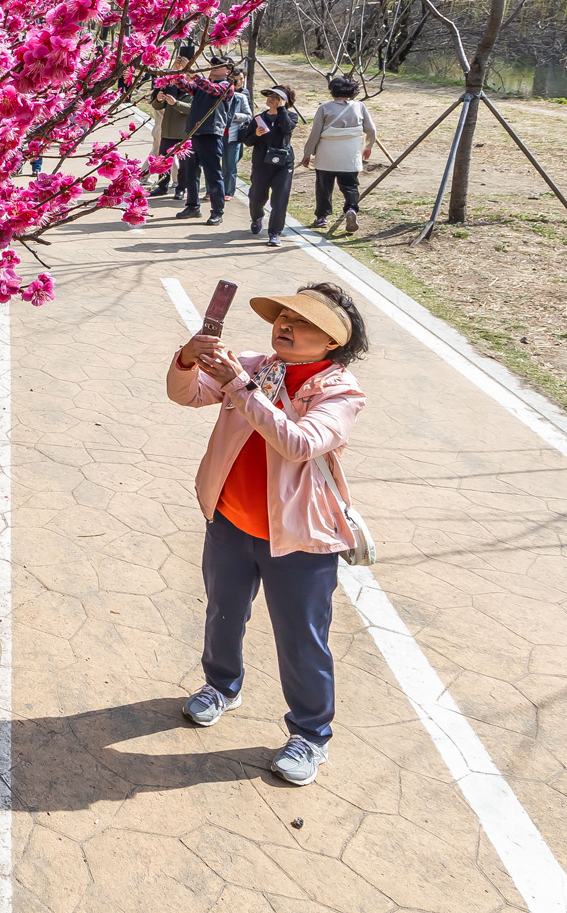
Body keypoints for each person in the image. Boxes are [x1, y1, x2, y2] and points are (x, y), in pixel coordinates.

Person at [168, 283, 369, 787]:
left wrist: (239, 386)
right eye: (283, 316)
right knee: (223, 611)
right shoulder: (257, 366)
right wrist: (187, 359)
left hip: (300, 539)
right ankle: (221, 686)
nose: (285, 324)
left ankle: (310, 734)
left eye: (302, 322)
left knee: (302, 639)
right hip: (232, 520)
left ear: (331, 343)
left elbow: (298, 443)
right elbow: (186, 395)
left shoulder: (340, 392)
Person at [302, 77, 380, 234]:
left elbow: (315, 133)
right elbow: (371, 130)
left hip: (327, 153)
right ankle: (351, 208)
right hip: (350, 153)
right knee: (350, 185)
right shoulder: (360, 106)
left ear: (332, 91)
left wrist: (307, 153)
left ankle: (322, 217)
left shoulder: (324, 108)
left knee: (324, 186)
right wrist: (368, 146)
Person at [167, 56, 236, 225]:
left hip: (211, 134)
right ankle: (192, 206)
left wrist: (193, 74)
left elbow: (211, 89)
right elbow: (185, 85)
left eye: (219, 66)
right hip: (194, 133)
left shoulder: (226, 86)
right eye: (213, 65)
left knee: (213, 175)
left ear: (228, 71)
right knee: (191, 173)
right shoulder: (202, 85)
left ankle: (217, 212)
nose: (213, 67)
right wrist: (179, 72)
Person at [245, 85, 302, 247]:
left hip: (283, 164)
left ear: (285, 101)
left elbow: (287, 128)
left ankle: (275, 233)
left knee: (280, 199)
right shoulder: (258, 118)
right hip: (262, 163)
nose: (271, 99)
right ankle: (257, 216)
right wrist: (256, 134)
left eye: (277, 97)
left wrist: (282, 109)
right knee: (257, 196)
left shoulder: (291, 116)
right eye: (270, 95)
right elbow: (247, 141)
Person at [147, 45, 196, 197]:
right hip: (167, 132)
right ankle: (162, 186)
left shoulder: (194, 89)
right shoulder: (171, 87)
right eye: (179, 76)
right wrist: (160, 99)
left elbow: (191, 109)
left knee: (184, 165)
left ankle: (181, 189)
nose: (182, 79)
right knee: (163, 161)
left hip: (183, 133)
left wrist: (176, 103)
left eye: (185, 75)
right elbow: (156, 105)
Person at [220, 81, 254, 198]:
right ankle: (211, 191)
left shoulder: (240, 97)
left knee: (230, 166)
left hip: (232, 136)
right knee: (214, 166)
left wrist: (235, 116)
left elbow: (249, 116)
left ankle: (228, 191)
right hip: (216, 135)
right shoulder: (215, 96)